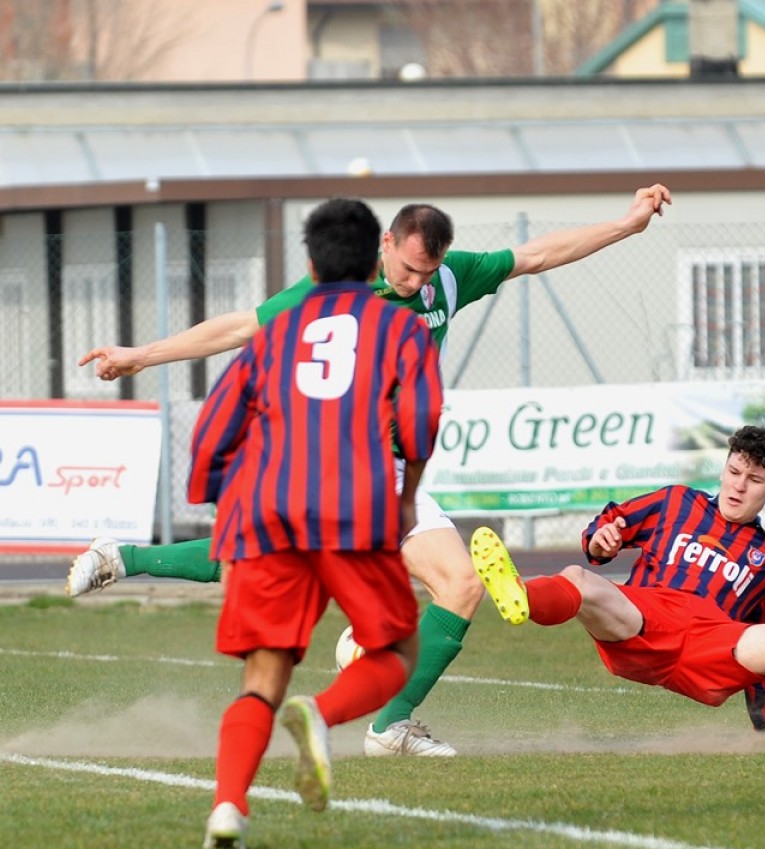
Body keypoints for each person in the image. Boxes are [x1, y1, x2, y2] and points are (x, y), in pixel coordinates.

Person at [68, 185, 672, 758]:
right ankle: (122, 557)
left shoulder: (450, 278)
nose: (415, 283)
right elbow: (242, 327)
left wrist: (626, 224)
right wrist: (139, 355)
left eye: (426, 274)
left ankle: (389, 725)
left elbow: (538, 255)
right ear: (385, 244)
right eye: (407, 270)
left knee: (461, 587)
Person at [193, 197, 444, 849]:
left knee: (263, 676)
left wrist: (220, 499)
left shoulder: (274, 332)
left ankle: (227, 808)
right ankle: (322, 714)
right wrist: (409, 497)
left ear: (309, 262)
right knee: (396, 651)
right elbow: (421, 422)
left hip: (267, 515)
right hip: (354, 511)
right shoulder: (402, 329)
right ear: (374, 264)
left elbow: (213, 430)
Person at [468, 425, 765, 748]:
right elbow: (608, 525)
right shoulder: (676, 502)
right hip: (646, 621)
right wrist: (600, 539)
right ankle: (522, 595)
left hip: (713, 649)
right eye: (733, 472)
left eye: (754, 479)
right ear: (723, 469)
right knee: (578, 577)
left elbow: (764, 642)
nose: (738, 486)